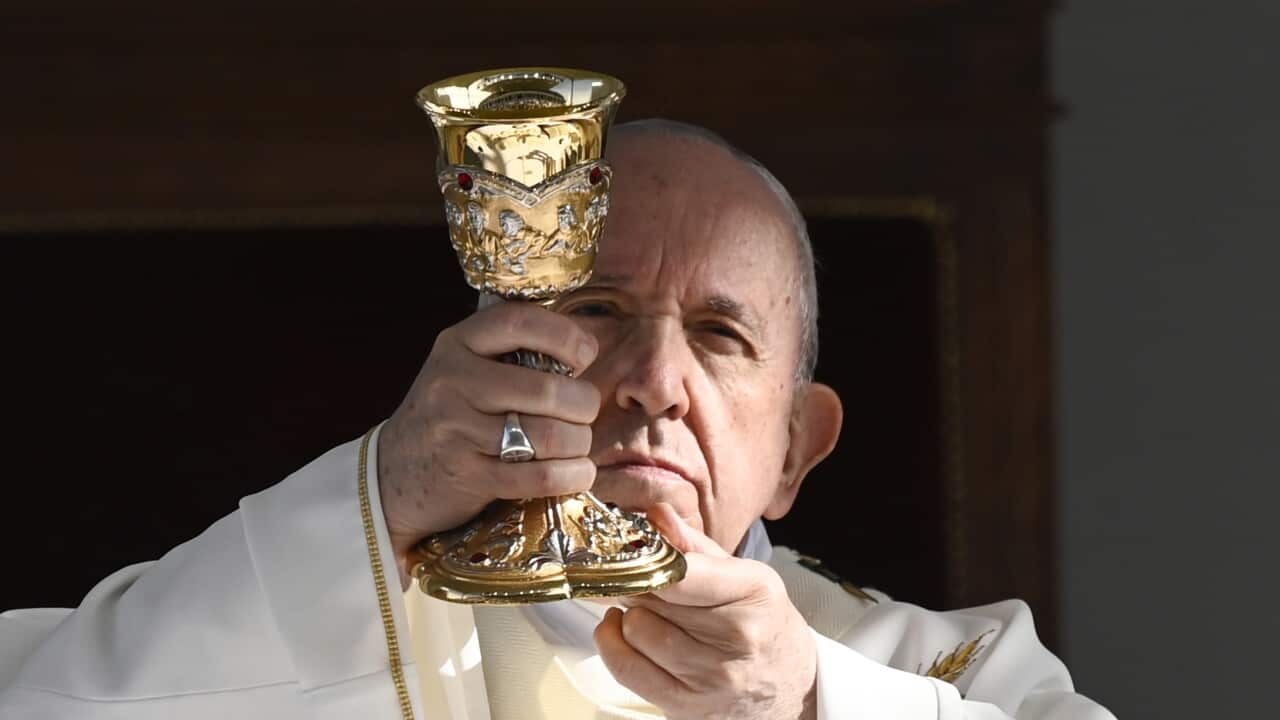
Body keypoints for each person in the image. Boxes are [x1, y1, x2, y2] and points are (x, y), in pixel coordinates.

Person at [0, 120, 1117, 719]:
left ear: (794, 449)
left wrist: (809, 710)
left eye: (720, 336)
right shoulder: (282, 601)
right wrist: (378, 498)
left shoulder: (949, 677)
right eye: (594, 310)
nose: (649, 380)